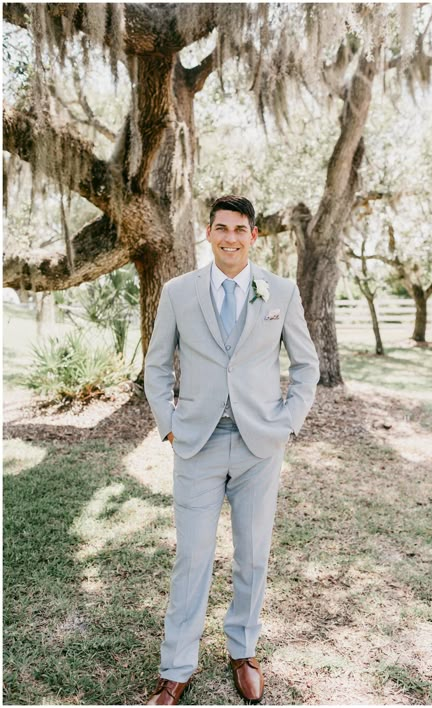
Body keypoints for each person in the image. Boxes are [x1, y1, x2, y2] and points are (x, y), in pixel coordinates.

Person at [144, 195, 319, 705]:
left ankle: (243, 651)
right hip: (196, 443)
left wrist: (287, 423)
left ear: (253, 236)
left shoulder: (280, 291)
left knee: (252, 557)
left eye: (240, 229)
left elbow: (305, 365)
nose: (230, 238)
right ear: (208, 233)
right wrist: (169, 425)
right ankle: (177, 667)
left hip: (259, 445)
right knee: (193, 559)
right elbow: (157, 365)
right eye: (221, 228)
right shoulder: (179, 292)